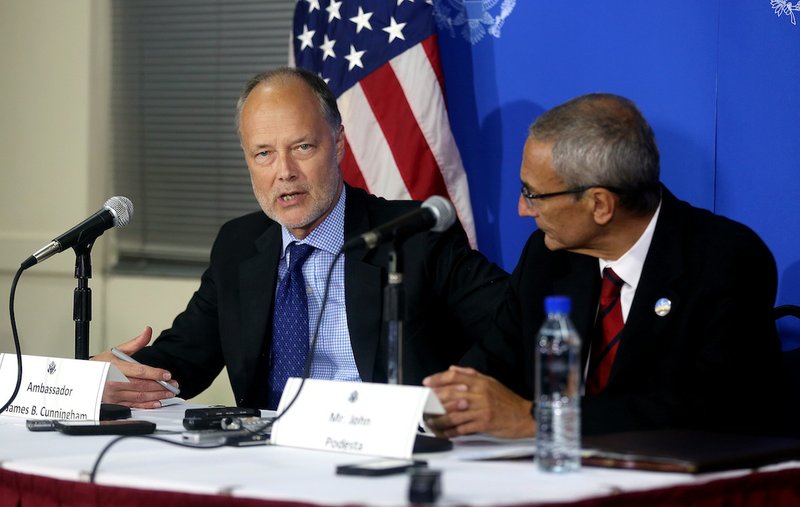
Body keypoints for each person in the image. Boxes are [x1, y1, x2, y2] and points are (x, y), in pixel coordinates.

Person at [92, 67, 507, 409]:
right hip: (266, 460)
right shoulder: (239, 244)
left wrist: (444, 404)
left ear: (339, 144)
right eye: (264, 154)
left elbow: (513, 327)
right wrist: (110, 375)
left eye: (303, 147)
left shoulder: (412, 236)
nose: (284, 171)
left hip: (379, 458)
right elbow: (185, 359)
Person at [424, 93, 786, 438]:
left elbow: (712, 408)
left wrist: (539, 421)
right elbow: (493, 361)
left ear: (600, 205)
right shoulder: (547, 256)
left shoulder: (723, 259)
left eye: (533, 194)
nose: (522, 209)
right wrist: (442, 404)